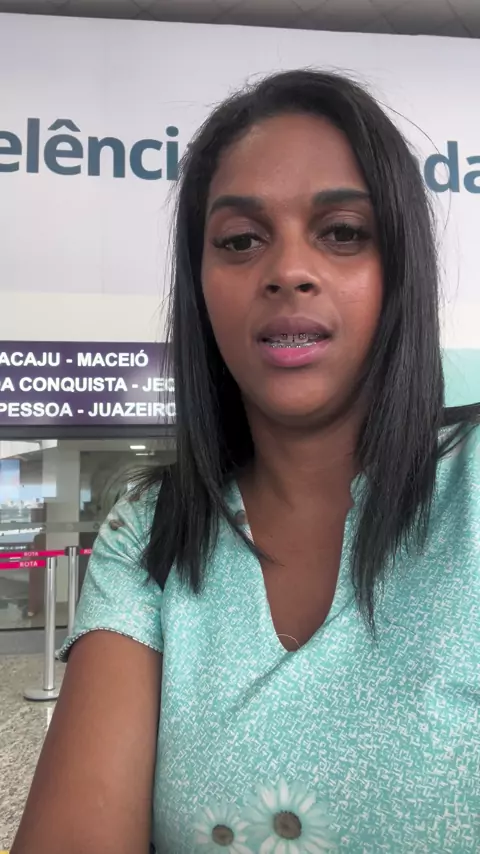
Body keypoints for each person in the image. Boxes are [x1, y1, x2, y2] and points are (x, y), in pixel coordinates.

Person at [12, 70, 480, 854]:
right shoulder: (149, 538)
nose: (288, 270)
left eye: (342, 232)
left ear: (400, 268)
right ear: (199, 287)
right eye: (239, 241)